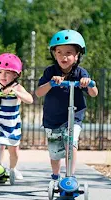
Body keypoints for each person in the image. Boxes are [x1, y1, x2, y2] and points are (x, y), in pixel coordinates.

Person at [35, 30, 98, 182]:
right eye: (59, 52)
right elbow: (38, 93)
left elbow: (94, 93)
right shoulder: (50, 71)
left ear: (77, 56)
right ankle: (56, 176)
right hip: (52, 118)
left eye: (69, 53)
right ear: (54, 54)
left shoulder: (81, 72)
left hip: (73, 117)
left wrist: (89, 83)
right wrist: (50, 83)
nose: (64, 56)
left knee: (71, 143)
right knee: (55, 152)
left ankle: (70, 176)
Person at [0, 53, 33, 182]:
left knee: (13, 150)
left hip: (12, 124)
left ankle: (13, 168)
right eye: (0, 72)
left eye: (7, 73)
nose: (3, 76)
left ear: (15, 75)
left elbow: (30, 99)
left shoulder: (17, 87)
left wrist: (17, 93)